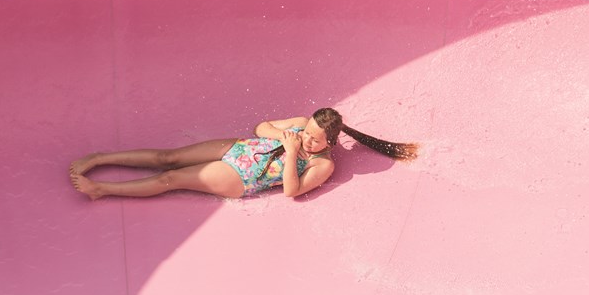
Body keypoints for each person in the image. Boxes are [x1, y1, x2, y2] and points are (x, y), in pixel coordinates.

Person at [69, 107, 416, 200]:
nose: (307, 139)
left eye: (314, 139)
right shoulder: (298, 124)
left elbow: (292, 192)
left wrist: (296, 154)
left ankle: (103, 189)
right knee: (169, 157)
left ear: (329, 142)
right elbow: (260, 128)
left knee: (171, 178)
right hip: (241, 149)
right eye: (307, 134)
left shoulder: (322, 164)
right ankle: (100, 158)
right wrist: (284, 134)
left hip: (244, 176)